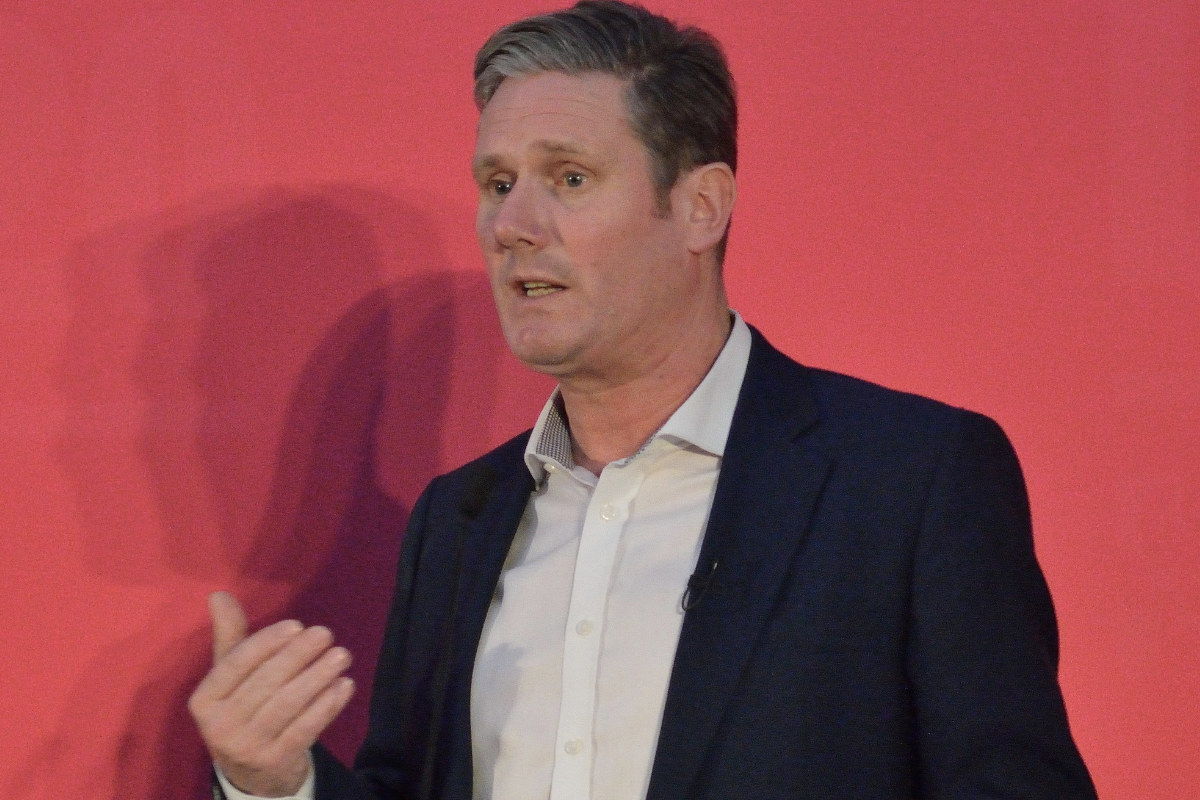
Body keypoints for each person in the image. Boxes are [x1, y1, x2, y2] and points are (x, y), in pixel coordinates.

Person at [188, 2, 1099, 798]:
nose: (513, 226)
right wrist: (277, 787)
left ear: (701, 207)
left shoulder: (910, 480)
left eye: (570, 179)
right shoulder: (455, 525)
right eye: (498, 184)